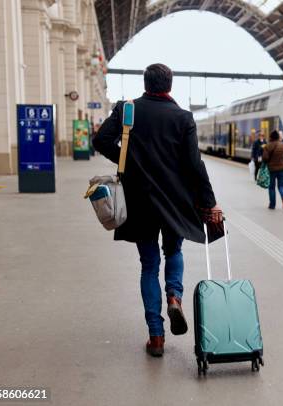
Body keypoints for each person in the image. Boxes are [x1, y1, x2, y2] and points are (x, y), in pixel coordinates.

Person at [93, 63, 222, 358]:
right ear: (170, 85)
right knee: (173, 252)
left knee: (149, 265)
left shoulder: (128, 110)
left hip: (139, 200)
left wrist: (126, 161)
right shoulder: (182, 117)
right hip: (176, 201)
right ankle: (174, 296)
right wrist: (210, 200)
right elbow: (194, 164)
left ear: (145, 83)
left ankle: (156, 336)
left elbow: (101, 140)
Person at [262, 130, 283, 210]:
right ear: (278, 137)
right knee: (281, 186)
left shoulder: (268, 146)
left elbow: (265, 158)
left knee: (271, 187)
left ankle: (272, 205)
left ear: (271, 137)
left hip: (272, 169)